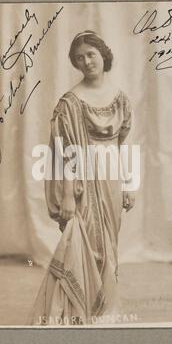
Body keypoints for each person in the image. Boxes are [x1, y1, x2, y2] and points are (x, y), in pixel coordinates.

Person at [28, 30, 135, 326]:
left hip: (112, 181)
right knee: (87, 244)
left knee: (109, 245)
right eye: (79, 58)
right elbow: (62, 153)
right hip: (83, 185)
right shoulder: (70, 103)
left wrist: (128, 183)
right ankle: (81, 313)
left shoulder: (121, 99)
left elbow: (123, 143)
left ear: (103, 55)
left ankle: (105, 312)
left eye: (91, 54)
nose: (86, 61)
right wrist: (66, 195)